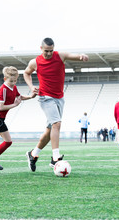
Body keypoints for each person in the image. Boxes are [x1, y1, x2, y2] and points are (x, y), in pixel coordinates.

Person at [23, 37, 89, 172]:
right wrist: (31, 87)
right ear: (41, 48)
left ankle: (33, 154)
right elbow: (26, 73)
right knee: (56, 124)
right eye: (46, 51)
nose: (49, 53)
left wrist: (81, 56)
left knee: (50, 130)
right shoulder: (35, 62)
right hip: (45, 97)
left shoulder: (60, 56)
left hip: (59, 98)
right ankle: (55, 158)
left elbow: (72, 56)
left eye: (51, 51)